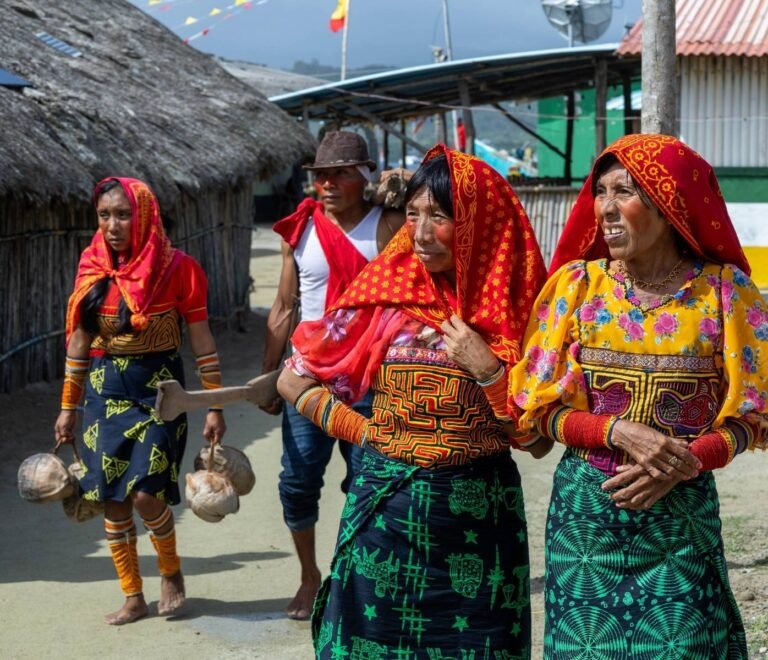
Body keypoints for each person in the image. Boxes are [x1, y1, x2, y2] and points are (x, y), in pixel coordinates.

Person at [277, 145, 549, 656]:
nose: (421, 233)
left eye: (439, 217)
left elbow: (534, 441)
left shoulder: (522, 312)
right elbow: (292, 380)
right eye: (414, 214)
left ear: (478, 224)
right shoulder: (386, 297)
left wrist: (487, 369)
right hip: (386, 519)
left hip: (478, 530)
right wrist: (366, 433)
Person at [511, 133, 768, 657]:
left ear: (669, 204)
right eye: (600, 191)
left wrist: (685, 461)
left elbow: (753, 418)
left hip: (680, 521)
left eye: (624, 192)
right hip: (587, 525)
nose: (605, 207)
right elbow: (539, 410)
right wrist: (614, 430)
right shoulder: (576, 287)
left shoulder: (724, 293)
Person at [54, 177, 226, 625]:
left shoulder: (179, 268)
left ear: (145, 215)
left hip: (162, 394)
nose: (113, 225)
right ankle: (133, 595)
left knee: (147, 496)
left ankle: (171, 572)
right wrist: (68, 406)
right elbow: (79, 340)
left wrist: (214, 403)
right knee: (112, 500)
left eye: (123, 214)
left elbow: (202, 338)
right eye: (105, 215)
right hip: (104, 395)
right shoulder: (92, 266)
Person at [259, 130, 405, 620]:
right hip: (307, 377)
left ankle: (351, 574)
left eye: (340, 173)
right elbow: (282, 307)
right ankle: (309, 574)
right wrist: (268, 375)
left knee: (368, 480)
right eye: (320, 175)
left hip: (371, 377)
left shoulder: (389, 226)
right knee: (297, 481)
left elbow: (411, 302)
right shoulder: (300, 230)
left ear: (364, 175)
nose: (327, 184)